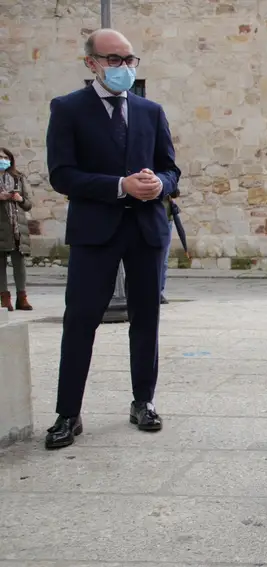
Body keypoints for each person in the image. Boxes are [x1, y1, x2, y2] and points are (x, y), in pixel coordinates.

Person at [43, 29, 181, 450]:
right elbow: (62, 174)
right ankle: (68, 413)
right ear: (92, 64)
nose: (124, 68)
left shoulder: (150, 110)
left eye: (130, 59)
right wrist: (119, 185)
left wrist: (158, 183)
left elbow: (172, 169)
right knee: (81, 320)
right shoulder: (67, 109)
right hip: (94, 232)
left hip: (145, 230)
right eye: (115, 60)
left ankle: (144, 401)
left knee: (146, 320)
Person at [0, 147, 33, 311]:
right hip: (0, 226)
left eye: (5, 157)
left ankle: (22, 297)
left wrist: (19, 198)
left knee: (19, 264)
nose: (3, 160)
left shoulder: (18, 178)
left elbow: (28, 204)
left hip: (17, 227)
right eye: (0, 157)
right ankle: (4, 298)